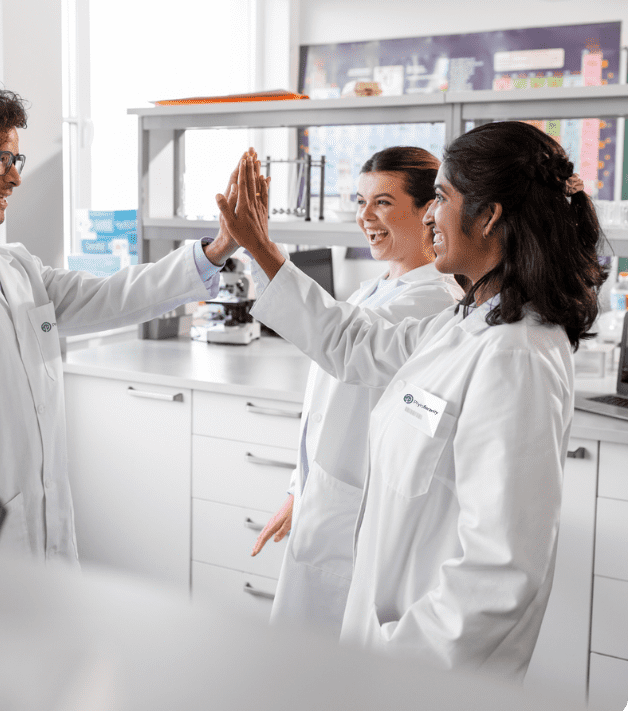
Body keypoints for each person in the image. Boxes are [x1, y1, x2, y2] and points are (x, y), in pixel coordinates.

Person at [216, 122, 605, 679]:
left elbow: (500, 570)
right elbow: (353, 343)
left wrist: (398, 671)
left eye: (441, 199)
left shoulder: (516, 354)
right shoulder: (465, 321)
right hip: (386, 642)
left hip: (425, 670)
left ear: (488, 215)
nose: (429, 218)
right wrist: (261, 248)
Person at [0, 83, 242, 565]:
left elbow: (110, 297)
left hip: (48, 541)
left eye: (17, 161)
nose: (14, 178)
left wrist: (215, 251)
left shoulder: (16, 267)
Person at [250, 148, 462, 638]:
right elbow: (324, 413)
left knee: (340, 665)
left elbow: (347, 343)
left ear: (429, 210)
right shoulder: (371, 292)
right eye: (360, 200)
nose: (364, 216)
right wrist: (296, 490)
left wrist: (263, 249)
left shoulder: (433, 300)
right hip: (328, 500)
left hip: (366, 515)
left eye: (383, 202)